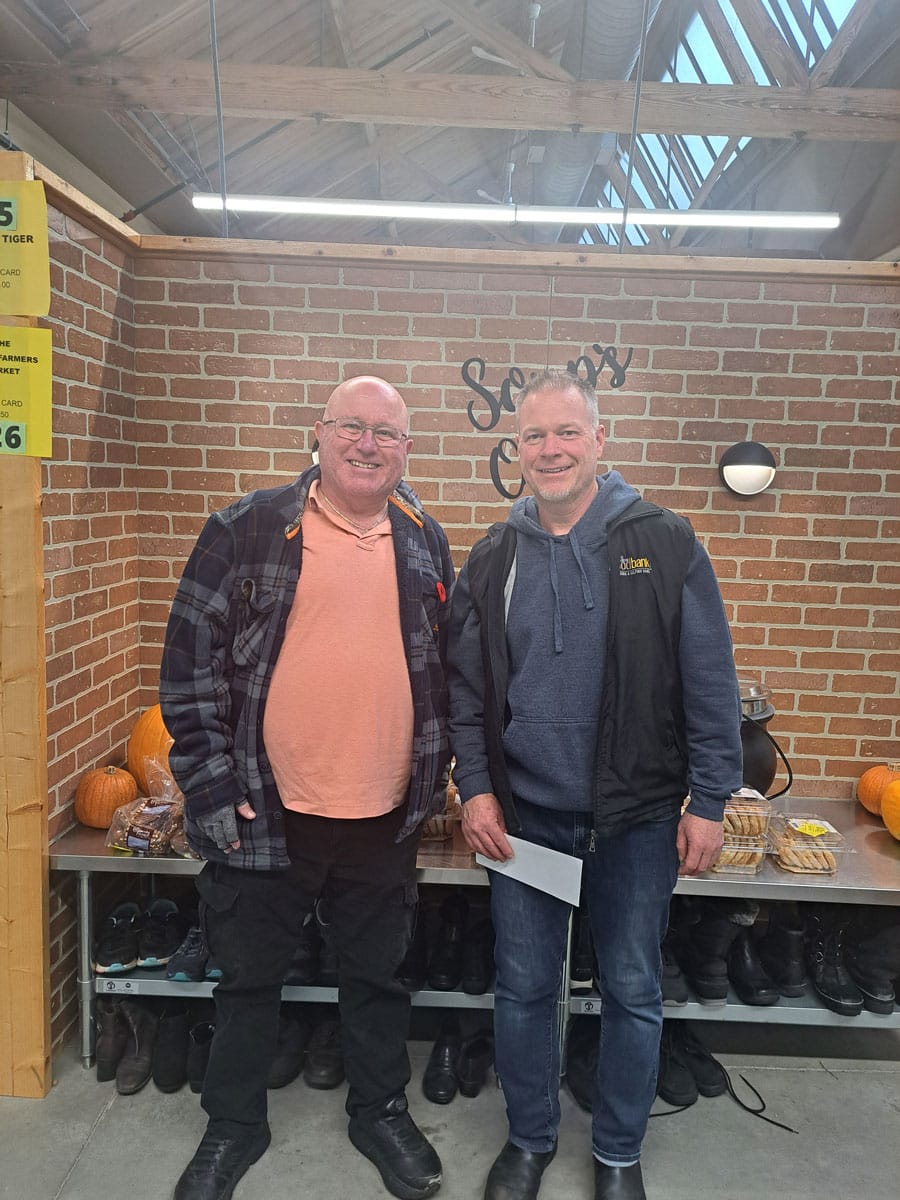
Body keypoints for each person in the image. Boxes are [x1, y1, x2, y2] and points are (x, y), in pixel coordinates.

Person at [447, 369, 743, 1200]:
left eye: (567, 433)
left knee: (634, 990)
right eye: (534, 436)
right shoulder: (493, 555)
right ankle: (530, 1139)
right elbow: (466, 690)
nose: (550, 449)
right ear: (517, 450)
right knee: (525, 989)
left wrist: (711, 799)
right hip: (528, 817)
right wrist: (476, 787)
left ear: (599, 442)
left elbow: (710, 679)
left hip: (639, 819)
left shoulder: (666, 541)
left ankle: (617, 1151)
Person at [160, 376, 454, 1200]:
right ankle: (234, 1126)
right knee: (249, 978)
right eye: (352, 428)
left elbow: (446, 673)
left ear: (407, 450)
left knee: (377, 977)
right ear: (318, 435)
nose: (368, 445)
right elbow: (186, 673)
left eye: (387, 434)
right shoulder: (248, 528)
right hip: (266, 808)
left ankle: (379, 1111)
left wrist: (438, 782)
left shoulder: (425, 538)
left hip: (384, 812)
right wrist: (214, 791)